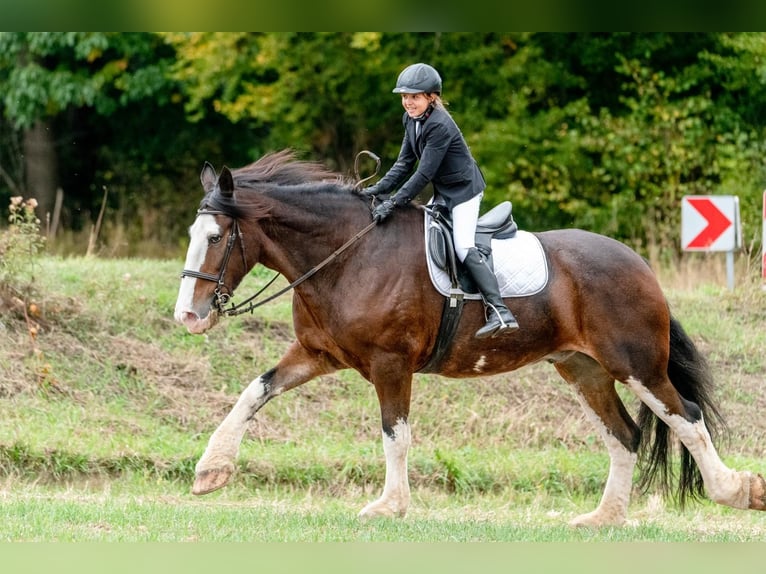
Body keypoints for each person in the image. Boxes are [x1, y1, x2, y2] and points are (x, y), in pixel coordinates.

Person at [363, 62, 519, 339]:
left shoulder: (440, 126)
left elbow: (424, 173)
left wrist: (395, 202)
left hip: (464, 191)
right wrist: (375, 191)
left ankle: (500, 311)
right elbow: (403, 164)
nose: (408, 102)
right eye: (404, 97)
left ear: (431, 97)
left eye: (414, 96)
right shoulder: (411, 120)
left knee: (462, 246)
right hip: (445, 190)